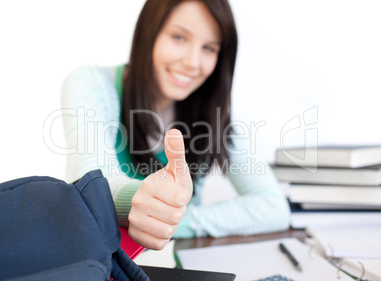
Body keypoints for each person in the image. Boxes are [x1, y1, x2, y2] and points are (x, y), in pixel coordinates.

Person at [61, 0, 290, 250]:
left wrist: (176, 222)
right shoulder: (91, 84)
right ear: (149, 32)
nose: (192, 62)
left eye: (209, 48)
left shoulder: (212, 114)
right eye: (179, 37)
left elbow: (273, 207)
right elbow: (91, 186)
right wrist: (144, 204)